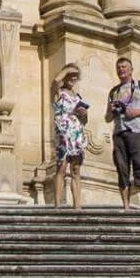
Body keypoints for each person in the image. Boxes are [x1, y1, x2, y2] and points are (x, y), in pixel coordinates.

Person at [106, 54, 140, 209]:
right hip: (119, 132)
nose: (121, 70)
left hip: (137, 131)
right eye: (118, 68)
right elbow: (107, 118)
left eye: (124, 67)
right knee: (122, 169)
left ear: (131, 70)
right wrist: (111, 110)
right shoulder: (113, 91)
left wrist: (136, 112)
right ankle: (126, 206)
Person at [51, 65, 88, 208]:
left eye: (76, 76)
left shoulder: (78, 97)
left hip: (77, 133)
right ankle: (57, 203)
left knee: (76, 169)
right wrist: (69, 69)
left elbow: (84, 120)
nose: (73, 78)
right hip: (63, 134)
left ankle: (77, 205)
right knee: (61, 167)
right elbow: (55, 81)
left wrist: (84, 114)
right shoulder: (58, 92)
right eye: (71, 75)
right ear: (65, 75)